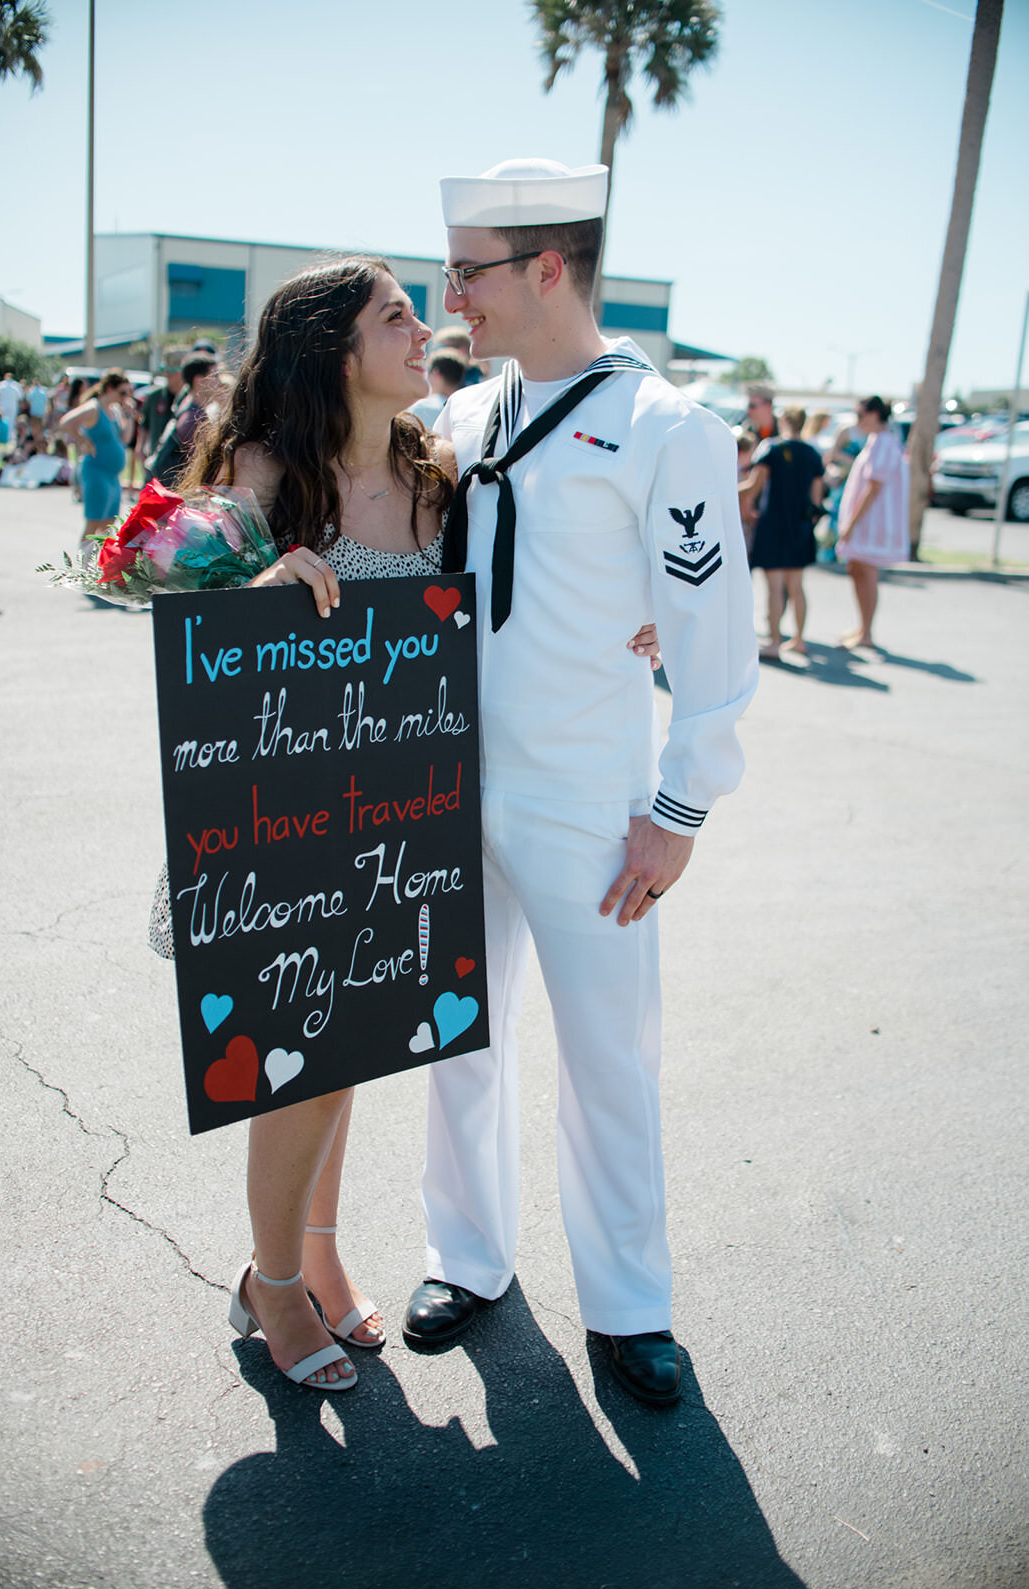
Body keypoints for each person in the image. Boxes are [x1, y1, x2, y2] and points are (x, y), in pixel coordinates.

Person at [177, 256, 660, 1393]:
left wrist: (635, 609)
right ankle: (273, 1284)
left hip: (395, 810)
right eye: (393, 317)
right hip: (281, 814)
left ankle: (316, 1261)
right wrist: (246, 591)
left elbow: (526, 575)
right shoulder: (261, 468)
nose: (422, 327)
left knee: (343, 1053)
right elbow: (171, 612)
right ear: (335, 351)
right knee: (300, 1064)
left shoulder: (432, 467)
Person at [400, 158, 758, 1406]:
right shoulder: (458, 419)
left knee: (610, 1054)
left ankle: (627, 1303)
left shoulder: (668, 426)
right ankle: (466, 1255)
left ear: (546, 267)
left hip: (586, 800)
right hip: (446, 787)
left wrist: (678, 809)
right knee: (460, 1040)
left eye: (468, 269)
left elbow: (712, 639)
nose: (451, 295)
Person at [739, 405, 823, 658]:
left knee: (774, 587)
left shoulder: (770, 448)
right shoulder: (812, 453)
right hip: (800, 526)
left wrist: (723, 493)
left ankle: (774, 641)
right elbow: (816, 500)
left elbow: (754, 486)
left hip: (773, 524)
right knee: (797, 587)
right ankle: (799, 639)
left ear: (784, 420)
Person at [836, 396, 909, 648]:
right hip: (866, 521)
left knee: (866, 573)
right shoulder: (876, 441)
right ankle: (862, 628)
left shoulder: (885, 443)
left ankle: (866, 633)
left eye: (860, 415)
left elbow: (873, 488)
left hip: (871, 523)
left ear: (875, 414)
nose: (858, 421)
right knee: (857, 571)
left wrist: (852, 523)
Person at [58, 369, 132, 544]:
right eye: (122, 392)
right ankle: (82, 565)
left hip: (113, 477)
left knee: (109, 524)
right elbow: (65, 423)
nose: (125, 397)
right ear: (109, 389)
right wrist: (84, 440)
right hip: (96, 472)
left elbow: (125, 439)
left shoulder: (115, 410)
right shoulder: (93, 408)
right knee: (93, 523)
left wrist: (128, 416)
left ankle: (98, 566)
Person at [146, 354, 224, 487]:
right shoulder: (192, 417)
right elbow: (204, 466)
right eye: (214, 376)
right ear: (199, 380)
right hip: (174, 496)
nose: (219, 382)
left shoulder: (189, 407)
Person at [138, 362, 184, 473]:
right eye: (166, 371)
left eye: (172, 372)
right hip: (156, 464)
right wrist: (141, 453)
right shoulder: (154, 397)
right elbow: (143, 429)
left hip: (180, 467)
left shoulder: (189, 399)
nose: (167, 375)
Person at [409, 350, 467, 426]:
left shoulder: (421, 408)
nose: (426, 377)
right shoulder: (466, 410)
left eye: (428, 371)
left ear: (436, 373)